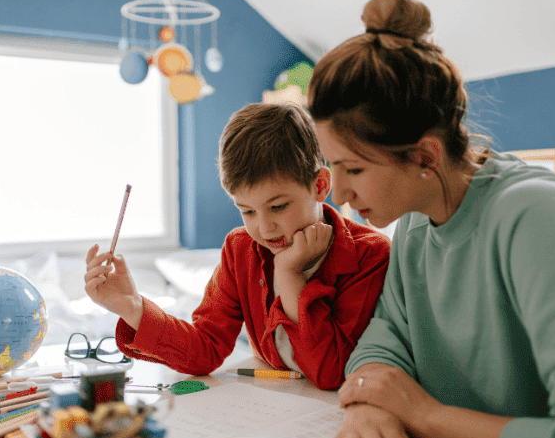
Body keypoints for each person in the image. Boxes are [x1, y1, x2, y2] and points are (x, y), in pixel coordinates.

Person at [310, 0, 555, 438]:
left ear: (425, 157)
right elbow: (386, 335)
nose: (339, 193)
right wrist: (370, 404)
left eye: (353, 169)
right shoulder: (415, 222)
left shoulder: (536, 217)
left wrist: (424, 414)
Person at [84, 103, 391, 391]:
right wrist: (132, 307)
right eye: (247, 211)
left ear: (320, 185)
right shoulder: (240, 248)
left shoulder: (371, 255)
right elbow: (205, 349)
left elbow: (331, 372)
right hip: (270, 406)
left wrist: (289, 275)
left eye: (278, 206)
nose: (264, 227)